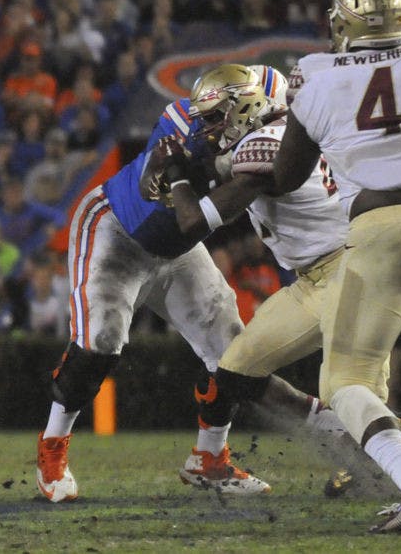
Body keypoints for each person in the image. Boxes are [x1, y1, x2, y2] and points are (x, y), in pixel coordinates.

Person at [36, 63, 274, 503]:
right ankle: (52, 449)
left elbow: (279, 88)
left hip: (178, 248)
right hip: (117, 229)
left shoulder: (267, 107)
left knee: (231, 349)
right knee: (100, 344)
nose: (205, 125)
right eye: (203, 115)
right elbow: (152, 185)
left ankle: (210, 459)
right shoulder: (179, 126)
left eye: (216, 116)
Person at [146, 64, 389, 493]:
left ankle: (396, 470)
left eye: (215, 116)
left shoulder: (262, 146)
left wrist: (179, 175)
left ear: (244, 105)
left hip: (349, 272)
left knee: (358, 390)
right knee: (234, 373)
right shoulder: (273, 135)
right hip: (314, 279)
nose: (207, 128)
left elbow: (193, 222)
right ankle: (208, 460)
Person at [273, 0, 401, 533]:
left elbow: (287, 177)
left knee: (345, 380)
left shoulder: (312, 75)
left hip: (379, 230)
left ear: (343, 23)